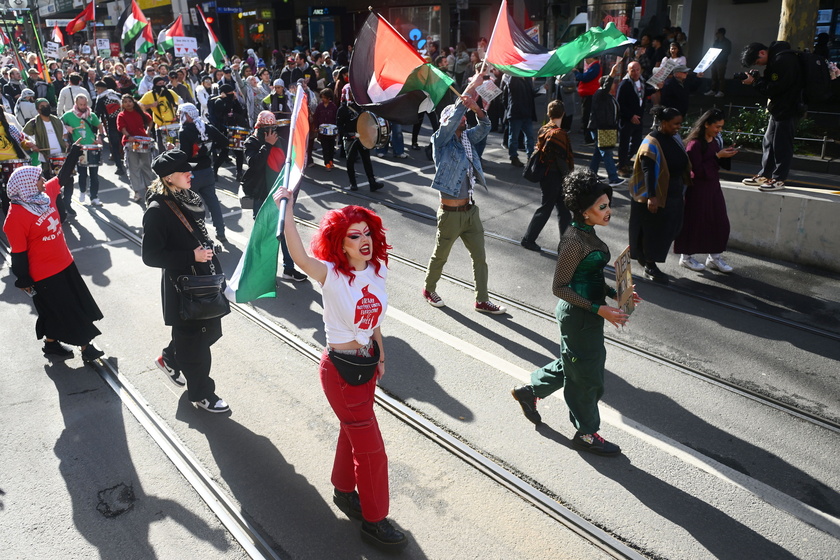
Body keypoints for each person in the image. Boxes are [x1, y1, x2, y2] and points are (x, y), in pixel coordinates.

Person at [271, 187, 408, 550]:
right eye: (354, 235)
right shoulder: (331, 274)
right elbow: (298, 255)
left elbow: (374, 319)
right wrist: (287, 209)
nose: (363, 241)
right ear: (340, 242)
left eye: (367, 233)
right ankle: (374, 521)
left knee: (354, 433)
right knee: (372, 449)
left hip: (365, 367)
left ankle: (345, 492)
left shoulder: (376, 270)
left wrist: (381, 353)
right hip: (341, 374)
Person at [512, 169, 639, 455]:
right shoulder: (573, 241)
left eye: (609, 205)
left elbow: (590, 276)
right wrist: (599, 308)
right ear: (584, 212)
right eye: (602, 206)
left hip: (587, 315)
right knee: (587, 376)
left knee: (576, 363)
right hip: (579, 316)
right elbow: (559, 287)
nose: (609, 211)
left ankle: (530, 391)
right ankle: (586, 433)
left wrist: (618, 293)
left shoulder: (587, 232)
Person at [142, 150, 230, 414]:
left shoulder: (188, 198)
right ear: (169, 178)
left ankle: (170, 356)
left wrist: (207, 246)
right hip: (184, 288)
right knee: (197, 343)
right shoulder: (157, 210)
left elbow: (194, 233)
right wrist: (191, 255)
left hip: (202, 281)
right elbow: (150, 256)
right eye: (185, 172)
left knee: (209, 332)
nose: (191, 174)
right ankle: (203, 394)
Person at [3, 156, 105, 363]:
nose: (43, 179)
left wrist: (74, 152)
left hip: (65, 262)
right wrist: (23, 279)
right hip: (45, 273)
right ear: (27, 185)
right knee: (69, 307)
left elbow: (62, 177)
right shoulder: (15, 218)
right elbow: (18, 254)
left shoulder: (43, 195)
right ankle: (87, 347)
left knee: (54, 307)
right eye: (39, 178)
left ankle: (51, 344)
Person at [421, 75, 507, 314]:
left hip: (470, 211)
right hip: (450, 214)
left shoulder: (467, 138)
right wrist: (470, 88)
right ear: (449, 120)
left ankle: (482, 300)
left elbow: (485, 127)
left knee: (480, 258)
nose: (464, 120)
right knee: (440, 256)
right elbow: (452, 122)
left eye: (464, 118)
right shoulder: (440, 141)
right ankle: (429, 288)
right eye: (460, 118)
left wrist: (477, 108)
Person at [240, 110, 308, 282]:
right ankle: (257, 271)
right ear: (259, 128)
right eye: (267, 129)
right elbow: (254, 164)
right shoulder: (251, 142)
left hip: (279, 195)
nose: (271, 133)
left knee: (285, 231)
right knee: (263, 234)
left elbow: (288, 164)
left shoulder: (280, 141)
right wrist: (268, 145)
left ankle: (289, 268)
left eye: (273, 128)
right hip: (262, 195)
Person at [628, 106, 690, 284]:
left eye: (680, 123)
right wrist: (652, 197)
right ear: (663, 123)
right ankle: (650, 264)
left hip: (674, 191)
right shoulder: (651, 142)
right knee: (655, 232)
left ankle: (647, 257)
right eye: (675, 124)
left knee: (672, 228)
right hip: (657, 194)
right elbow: (648, 171)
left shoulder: (673, 137)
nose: (678, 127)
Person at [675, 109, 738, 273]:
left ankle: (714, 257)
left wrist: (725, 155)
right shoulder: (694, 144)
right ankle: (686, 257)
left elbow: (714, 164)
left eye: (721, 127)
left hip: (713, 187)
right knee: (694, 223)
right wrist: (718, 157)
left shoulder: (714, 140)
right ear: (706, 124)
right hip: (698, 190)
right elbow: (697, 171)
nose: (719, 130)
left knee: (719, 222)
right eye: (717, 126)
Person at [739, 41, 803, 192]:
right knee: (769, 142)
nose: (759, 64)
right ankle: (765, 174)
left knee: (782, 144)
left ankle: (779, 179)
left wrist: (755, 82)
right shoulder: (777, 59)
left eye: (757, 61)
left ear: (762, 52)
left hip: (789, 108)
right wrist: (759, 80)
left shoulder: (783, 60)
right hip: (779, 108)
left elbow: (775, 88)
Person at [520, 100, 575, 252]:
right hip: (554, 176)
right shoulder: (559, 134)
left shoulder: (544, 129)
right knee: (547, 208)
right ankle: (528, 239)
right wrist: (568, 177)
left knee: (563, 210)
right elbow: (560, 160)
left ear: (548, 114)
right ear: (563, 113)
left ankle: (566, 245)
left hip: (547, 175)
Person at [178, 103, 228, 242]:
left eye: (181, 114)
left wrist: (173, 150)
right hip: (207, 170)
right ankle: (221, 232)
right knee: (213, 203)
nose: (179, 117)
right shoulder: (208, 127)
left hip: (191, 174)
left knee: (192, 207)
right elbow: (225, 142)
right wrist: (213, 157)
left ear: (187, 115)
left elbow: (184, 155)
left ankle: (200, 237)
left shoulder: (184, 131)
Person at [336, 87, 384, 191]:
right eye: (352, 94)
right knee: (350, 161)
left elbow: (367, 120)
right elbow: (339, 125)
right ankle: (353, 183)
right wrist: (347, 135)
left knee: (366, 160)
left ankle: (372, 183)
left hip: (363, 137)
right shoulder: (342, 109)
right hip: (351, 138)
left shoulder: (361, 107)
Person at [61, 93, 105, 207]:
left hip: (92, 147)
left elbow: (100, 126)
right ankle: (82, 191)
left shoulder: (91, 115)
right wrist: (66, 127)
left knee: (94, 174)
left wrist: (100, 137)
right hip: (79, 148)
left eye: (85, 104)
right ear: (76, 103)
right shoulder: (68, 116)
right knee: (82, 173)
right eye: (81, 104)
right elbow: (59, 125)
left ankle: (94, 197)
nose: (83, 106)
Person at [617, 61, 657, 178]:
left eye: (637, 70)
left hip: (639, 118)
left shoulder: (642, 81)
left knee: (636, 143)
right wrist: (630, 116)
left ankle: (624, 161)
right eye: (632, 70)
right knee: (624, 144)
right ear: (628, 71)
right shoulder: (624, 84)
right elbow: (619, 103)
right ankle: (622, 166)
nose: (635, 72)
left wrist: (656, 88)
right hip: (627, 119)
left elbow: (643, 94)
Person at [588, 71, 626, 188]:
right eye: (612, 83)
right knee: (606, 152)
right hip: (600, 128)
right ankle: (613, 178)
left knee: (598, 153)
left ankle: (591, 175)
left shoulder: (608, 97)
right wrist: (613, 73)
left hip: (606, 128)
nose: (614, 85)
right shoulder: (600, 94)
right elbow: (606, 87)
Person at [117, 94, 155, 203]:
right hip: (130, 143)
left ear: (133, 102)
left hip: (143, 141)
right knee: (133, 167)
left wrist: (148, 131)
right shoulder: (121, 115)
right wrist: (129, 136)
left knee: (146, 165)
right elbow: (122, 128)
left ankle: (150, 188)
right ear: (122, 104)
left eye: (130, 101)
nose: (128, 103)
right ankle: (137, 191)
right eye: (125, 102)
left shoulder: (140, 112)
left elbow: (150, 120)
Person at [23, 98, 69, 180]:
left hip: (60, 156)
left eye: (47, 105)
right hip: (46, 158)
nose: (45, 107)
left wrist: (65, 141)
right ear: (38, 109)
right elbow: (23, 136)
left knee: (67, 180)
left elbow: (64, 133)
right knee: (50, 181)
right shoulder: (34, 123)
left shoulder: (57, 120)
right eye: (42, 106)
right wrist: (32, 145)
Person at [208, 84, 247, 181]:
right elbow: (219, 116)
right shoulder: (219, 101)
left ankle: (239, 172)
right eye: (230, 93)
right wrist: (227, 103)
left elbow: (241, 112)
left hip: (235, 129)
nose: (232, 94)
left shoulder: (233, 101)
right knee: (224, 152)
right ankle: (215, 170)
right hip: (225, 130)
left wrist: (235, 101)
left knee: (239, 152)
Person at [139, 76, 182, 153]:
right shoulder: (150, 95)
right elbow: (139, 106)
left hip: (174, 124)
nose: (162, 86)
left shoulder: (170, 92)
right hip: (161, 126)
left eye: (163, 83)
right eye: (159, 84)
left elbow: (180, 101)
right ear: (155, 85)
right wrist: (151, 105)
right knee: (163, 149)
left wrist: (179, 112)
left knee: (177, 147)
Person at [93, 81, 126, 176]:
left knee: (114, 146)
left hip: (112, 124)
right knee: (125, 143)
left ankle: (119, 167)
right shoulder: (118, 95)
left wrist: (95, 129)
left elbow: (97, 114)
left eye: (97, 89)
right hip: (123, 122)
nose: (96, 91)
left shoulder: (101, 99)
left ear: (100, 89)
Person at [504, 76, 538, 167]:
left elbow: (530, 93)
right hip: (516, 113)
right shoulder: (513, 79)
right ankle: (513, 157)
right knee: (514, 137)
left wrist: (541, 89)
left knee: (529, 136)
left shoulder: (527, 79)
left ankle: (530, 156)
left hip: (526, 113)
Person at [575, 56, 602, 145]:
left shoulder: (595, 66)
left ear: (591, 58)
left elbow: (586, 77)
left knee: (587, 116)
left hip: (590, 94)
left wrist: (576, 73)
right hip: (589, 93)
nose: (585, 60)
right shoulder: (595, 66)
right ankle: (589, 137)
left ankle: (589, 138)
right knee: (587, 116)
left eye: (586, 58)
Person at [313, 88, 338, 170]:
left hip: (331, 132)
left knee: (331, 147)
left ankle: (331, 161)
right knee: (325, 147)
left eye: (324, 97)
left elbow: (336, 118)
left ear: (329, 98)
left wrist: (336, 129)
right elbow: (316, 117)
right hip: (322, 132)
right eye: (322, 97)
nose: (323, 99)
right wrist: (316, 127)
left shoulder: (333, 107)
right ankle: (327, 163)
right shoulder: (319, 106)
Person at [706, 28, 732, 98]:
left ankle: (721, 91)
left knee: (720, 76)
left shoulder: (727, 42)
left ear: (721, 33)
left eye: (717, 33)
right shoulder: (716, 41)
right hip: (714, 60)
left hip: (722, 61)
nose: (716, 34)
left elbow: (727, 52)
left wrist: (719, 56)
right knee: (714, 75)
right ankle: (713, 90)